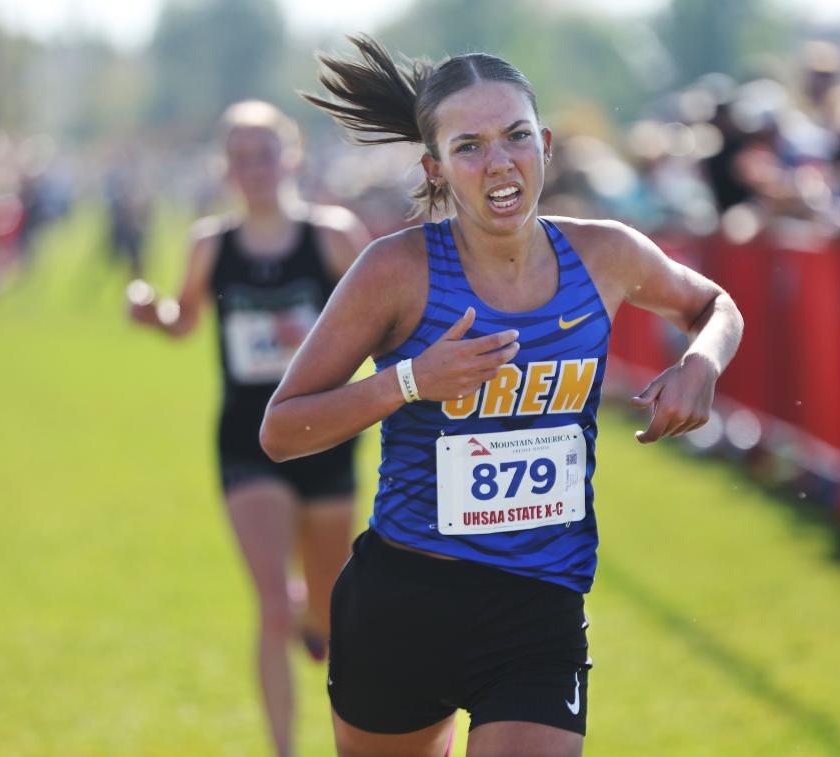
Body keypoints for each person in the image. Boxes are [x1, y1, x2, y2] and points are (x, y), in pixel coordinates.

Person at [260, 37, 744, 757]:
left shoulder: (605, 253)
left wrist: (701, 362)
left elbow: (714, 305)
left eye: (517, 135)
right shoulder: (396, 271)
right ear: (436, 168)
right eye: (470, 146)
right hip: (404, 598)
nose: (499, 162)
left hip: (539, 602)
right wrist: (412, 380)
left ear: (544, 145)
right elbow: (282, 429)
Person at [126, 100, 369, 757]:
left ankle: (309, 616)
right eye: (239, 158)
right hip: (249, 439)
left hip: (327, 435)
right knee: (267, 600)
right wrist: (154, 312)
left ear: (290, 158)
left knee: (328, 612)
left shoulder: (332, 235)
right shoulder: (212, 243)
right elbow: (185, 320)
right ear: (226, 169)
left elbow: (383, 316)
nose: (253, 169)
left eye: (264, 155)